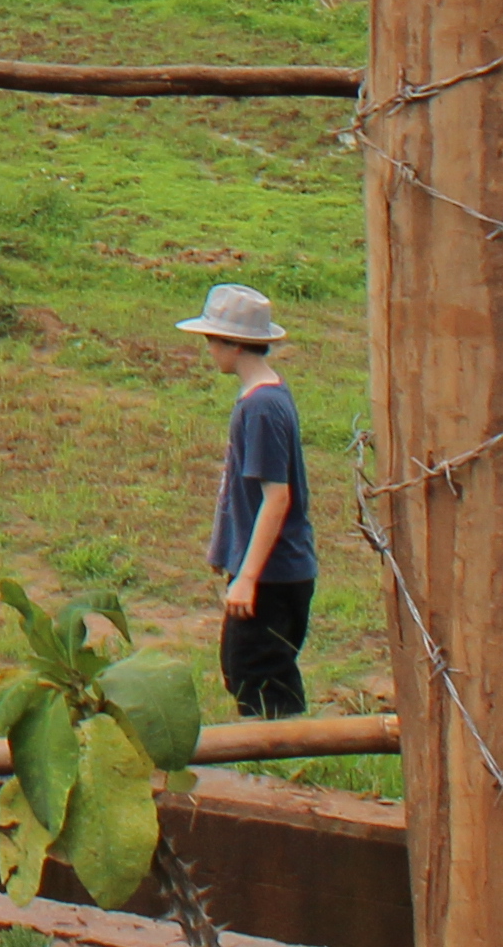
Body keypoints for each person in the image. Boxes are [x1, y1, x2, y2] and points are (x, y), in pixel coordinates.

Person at [180, 281, 318, 721]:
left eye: (211, 340)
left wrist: (248, 578)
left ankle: (283, 769)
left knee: (258, 677)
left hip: (273, 576)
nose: (208, 350)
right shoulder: (266, 397)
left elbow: (276, 498)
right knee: (248, 671)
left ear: (234, 344)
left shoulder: (258, 409)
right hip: (274, 570)